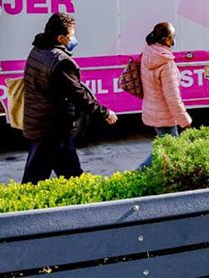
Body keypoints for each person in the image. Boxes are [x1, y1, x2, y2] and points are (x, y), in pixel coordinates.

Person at [22, 13, 118, 184]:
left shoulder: (37, 50)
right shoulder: (61, 62)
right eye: (71, 35)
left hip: (40, 123)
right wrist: (104, 113)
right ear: (61, 38)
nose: (74, 39)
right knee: (37, 181)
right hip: (52, 128)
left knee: (66, 174)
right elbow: (78, 94)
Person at [139, 22, 193, 169]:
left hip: (153, 110)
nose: (174, 39)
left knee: (165, 150)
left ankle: (160, 175)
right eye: (173, 36)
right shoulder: (165, 63)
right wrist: (185, 121)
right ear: (167, 39)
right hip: (165, 115)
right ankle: (138, 173)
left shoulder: (149, 52)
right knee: (168, 149)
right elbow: (173, 97)